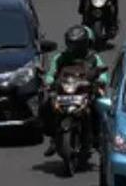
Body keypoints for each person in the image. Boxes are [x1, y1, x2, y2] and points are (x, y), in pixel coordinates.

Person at [42, 24, 109, 156]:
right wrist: (49, 81)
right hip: (65, 91)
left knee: (100, 107)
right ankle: (53, 138)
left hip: (86, 91)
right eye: (71, 44)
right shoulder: (60, 58)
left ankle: (98, 139)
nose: (73, 48)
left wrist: (101, 79)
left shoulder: (93, 57)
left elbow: (102, 72)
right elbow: (51, 73)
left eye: (76, 44)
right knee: (46, 104)